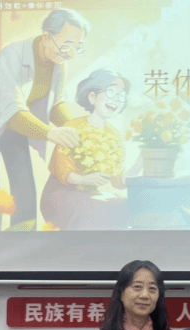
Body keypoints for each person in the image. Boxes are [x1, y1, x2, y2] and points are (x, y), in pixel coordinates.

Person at [0, 8, 90, 228]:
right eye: (66, 45)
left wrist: (77, 129)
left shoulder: (58, 61)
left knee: (24, 190)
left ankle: (24, 240)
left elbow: (56, 103)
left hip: (17, 125)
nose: (70, 53)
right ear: (46, 37)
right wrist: (51, 133)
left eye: (77, 47)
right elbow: (12, 111)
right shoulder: (11, 56)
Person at [41, 69, 138, 230]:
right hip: (60, 193)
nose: (116, 99)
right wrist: (84, 180)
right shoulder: (73, 127)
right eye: (111, 92)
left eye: (121, 95)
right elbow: (63, 170)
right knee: (95, 209)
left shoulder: (115, 136)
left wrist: (139, 164)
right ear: (92, 97)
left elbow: (117, 181)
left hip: (89, 194)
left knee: (123, 205)